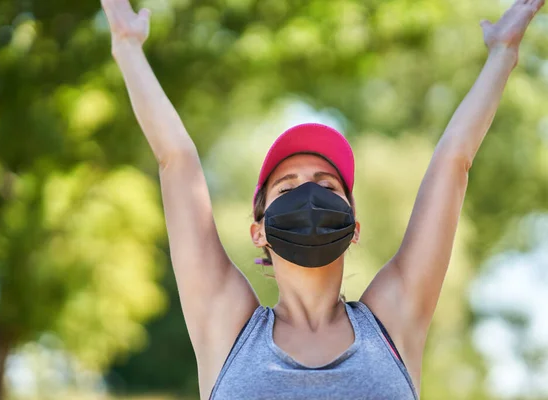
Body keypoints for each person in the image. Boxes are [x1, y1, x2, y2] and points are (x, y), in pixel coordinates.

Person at [101, 0, 544, 398]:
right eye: (288, 187)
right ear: (259, 231)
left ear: (354, 227)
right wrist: (126, 47)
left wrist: (504, 54)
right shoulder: (227, 323)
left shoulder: (393, 318)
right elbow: (177, 161)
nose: (309, 196)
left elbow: (453, 163)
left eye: (327, 185)